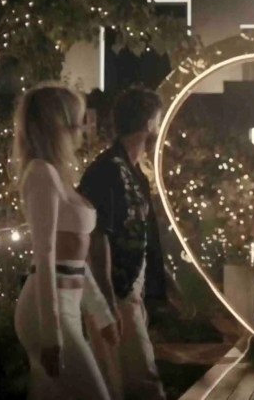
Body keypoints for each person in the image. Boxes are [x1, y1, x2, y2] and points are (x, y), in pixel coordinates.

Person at [13, 83, 119, 399]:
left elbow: (75, 261)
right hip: (49, 309)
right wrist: (51, 335)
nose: (84, 127)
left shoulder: (58, 175)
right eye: (79, 119)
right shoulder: (41, 173)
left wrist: (101, 314)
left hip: (66, 305)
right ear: (59, 123)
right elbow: (45, 256)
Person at [79, 86, 167, 400]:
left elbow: (142, 236)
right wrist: (107, 302)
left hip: (130, 289)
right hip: (113, 291)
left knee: (133, 377)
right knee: (131, 380)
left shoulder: (133, 173)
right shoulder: (107, 172)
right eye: (158, 119)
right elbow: (97, 236)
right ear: (149, 124)